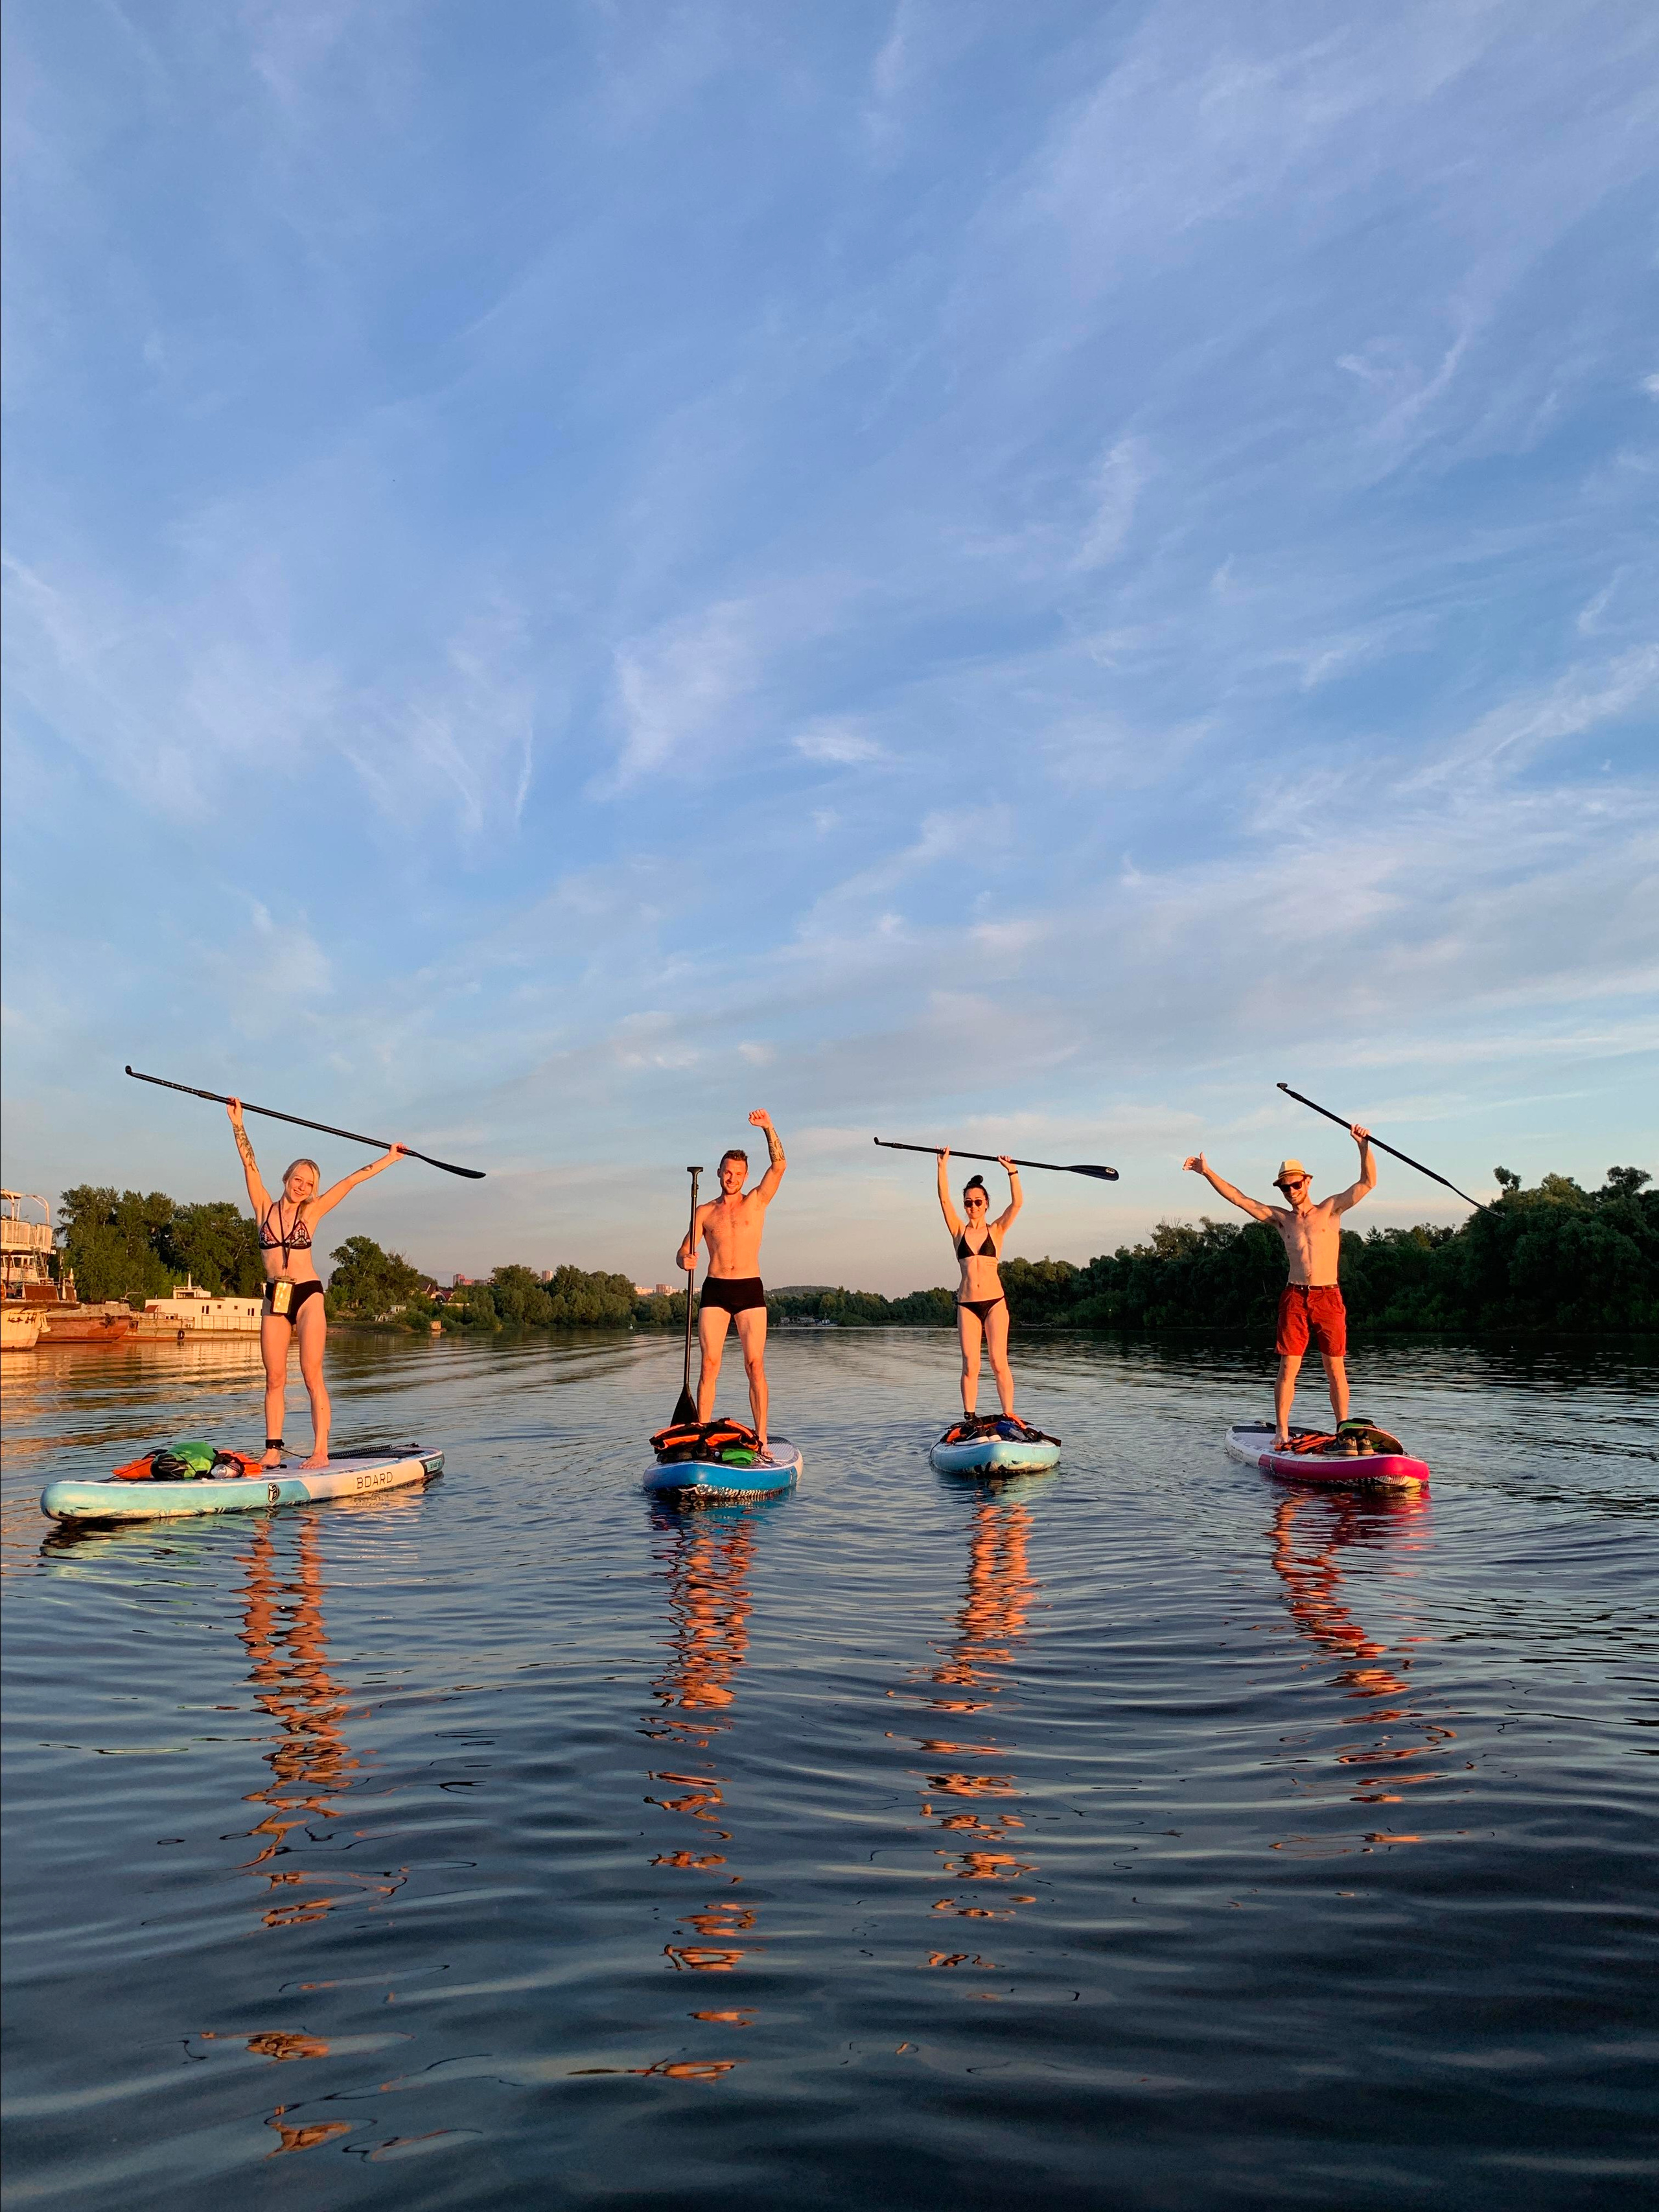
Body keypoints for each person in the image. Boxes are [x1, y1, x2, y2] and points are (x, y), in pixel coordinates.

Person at [228, 1099, 406, 1469]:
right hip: (274, 1297)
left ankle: (321, 1450)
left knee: (311, 1374)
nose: (302, 1187)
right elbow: (249, 1163)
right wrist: (238, 1123)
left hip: (307, 1294)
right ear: (287, 1178)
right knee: (274, 1377)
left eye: (309, 1184)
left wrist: (390, 1159)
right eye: (298, 1179)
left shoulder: (313, 1211)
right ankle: (273, 1450)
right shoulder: (263, 1207)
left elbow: (351, 1182)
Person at [1183, 1124, 1376, 1446]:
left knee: (1335, 1368)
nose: (1291, 1191)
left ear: (1307, 1181)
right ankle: (1282, 1431)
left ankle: (1343, 1429)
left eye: (1296, 1185)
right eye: (1285, 1188)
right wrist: (1207, 1172)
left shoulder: (1330, 1209)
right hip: (1295, 1296)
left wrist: (1364, 1147)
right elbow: (1239, 1199)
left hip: (1328, 1296)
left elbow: (1368, 1183)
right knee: (1289, 1366)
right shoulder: (1281, 1219)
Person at [677, 1110, 785, 1456]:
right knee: (710, 1364)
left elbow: (780, 1166)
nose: (732, 1178)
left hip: (749, 1289)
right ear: (720, 1173)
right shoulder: (705, 1212)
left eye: (738, 1173)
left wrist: (768, 1128)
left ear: (745, 1175)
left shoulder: (757, 1201)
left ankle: (762, 1438)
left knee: (755, 1365)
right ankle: (702, 1437)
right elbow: (683, 1251)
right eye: (727, 1172)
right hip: (715, 1290)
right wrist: (685, 1260)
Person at [936, 1150, 1022, 1418]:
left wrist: (1012, 1171)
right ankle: (970, 1417)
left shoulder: (996, 1230)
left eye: (977, 1202)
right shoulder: (958, 1231)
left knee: (998, 1362)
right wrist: (942, 1166)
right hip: (967, 1305)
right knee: (970, 1365)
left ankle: (1009, 1415)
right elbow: (943, 1199)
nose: (972, 1207)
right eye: (968, 1203)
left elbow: (1017, 1204)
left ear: (986, 1204)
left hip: (995, 1303)